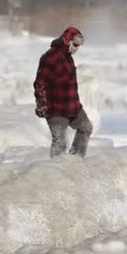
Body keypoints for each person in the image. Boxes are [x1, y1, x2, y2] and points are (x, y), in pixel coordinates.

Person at [33, 26, 92, 157]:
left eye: (79, 45)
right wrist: (41, 104)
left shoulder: (68, 56)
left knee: (86, 128)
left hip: (73, 107)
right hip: (56, 109)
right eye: (75, 44)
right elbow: (39, 83)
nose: (77, 48)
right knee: (60, 142)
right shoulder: (51, 57)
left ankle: (76, 160)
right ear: (67, 40)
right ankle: (56, 172)